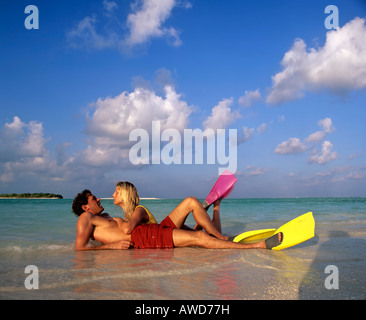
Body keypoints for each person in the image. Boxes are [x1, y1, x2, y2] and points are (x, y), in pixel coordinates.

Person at [72, 189, 282, 251]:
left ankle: (221, 237)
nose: (99, 198)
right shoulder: (86, 217)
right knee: (198, 236)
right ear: (85, 206)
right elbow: (80, 249)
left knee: (192, 208)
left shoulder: (103, 217)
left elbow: (100, 239)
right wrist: (112, 246)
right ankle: (259, 246)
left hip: (149, 233)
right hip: (144, 238)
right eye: (93, 199)